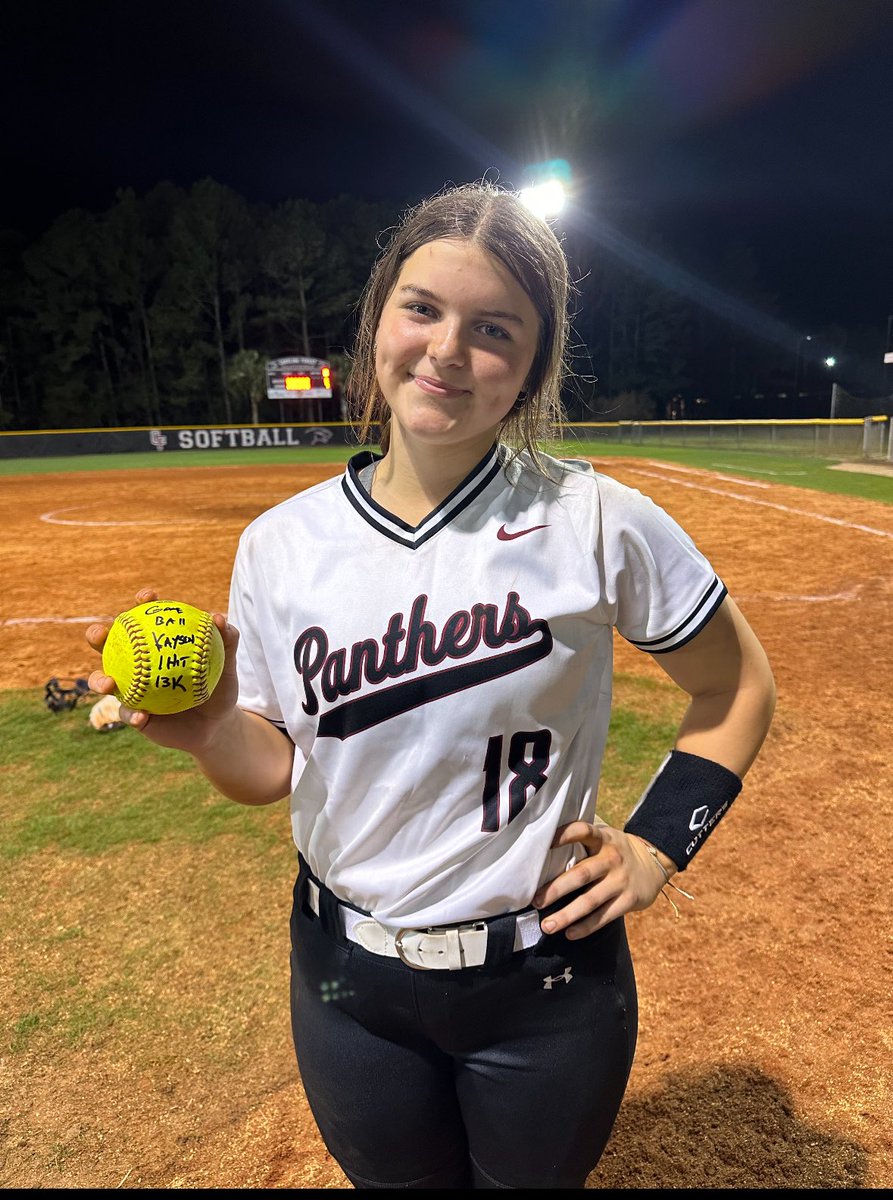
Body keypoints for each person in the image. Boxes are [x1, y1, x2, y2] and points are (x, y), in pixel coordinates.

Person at [87, 181, 776, 1190]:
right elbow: (272, 763)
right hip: (345, 984)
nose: (447, 350)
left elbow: (736, 688)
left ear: (533, 363)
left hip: (546, 984)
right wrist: (206, 732)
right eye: (422, 309)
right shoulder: (280, 544)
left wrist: (656, 847)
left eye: (492, 328)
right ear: (377, 322)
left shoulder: (595, 520)